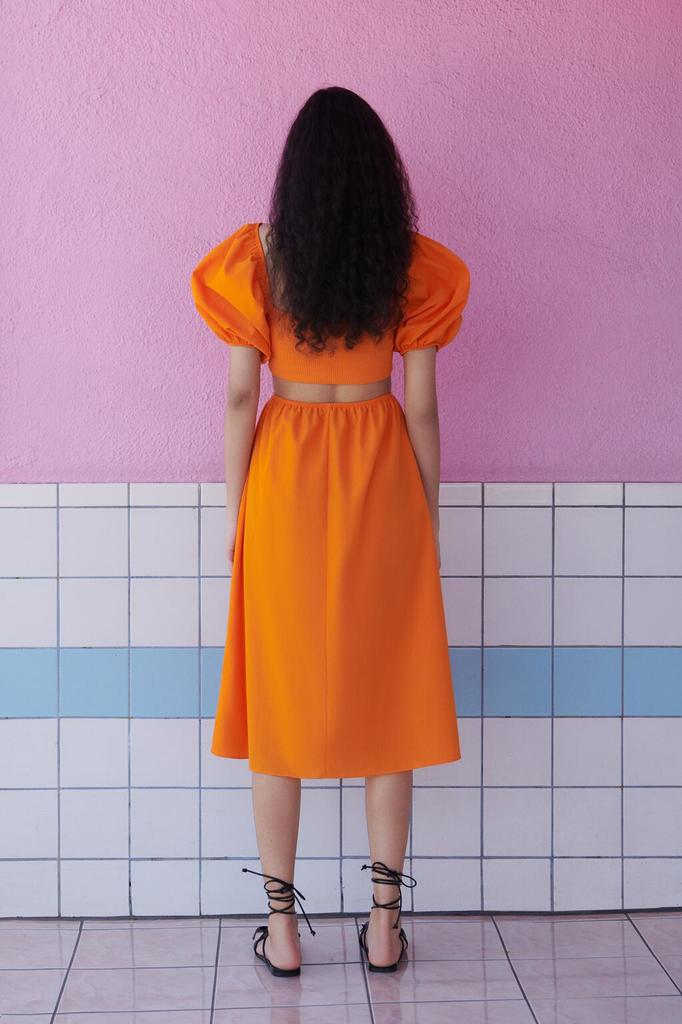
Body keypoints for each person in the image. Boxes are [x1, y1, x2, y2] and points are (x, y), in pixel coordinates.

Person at [190, 86, 471, 977]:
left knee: (279, 705)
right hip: (381, 471)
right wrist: (426, 515)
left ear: (296, 176)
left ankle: (281, 931)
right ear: (381, 174)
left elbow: (241, 397)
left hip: (284, 475)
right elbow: (422, 408)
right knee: (389, 702)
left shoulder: (259, 259)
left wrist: (235, 512)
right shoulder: (409, 266)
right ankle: (384, 928)